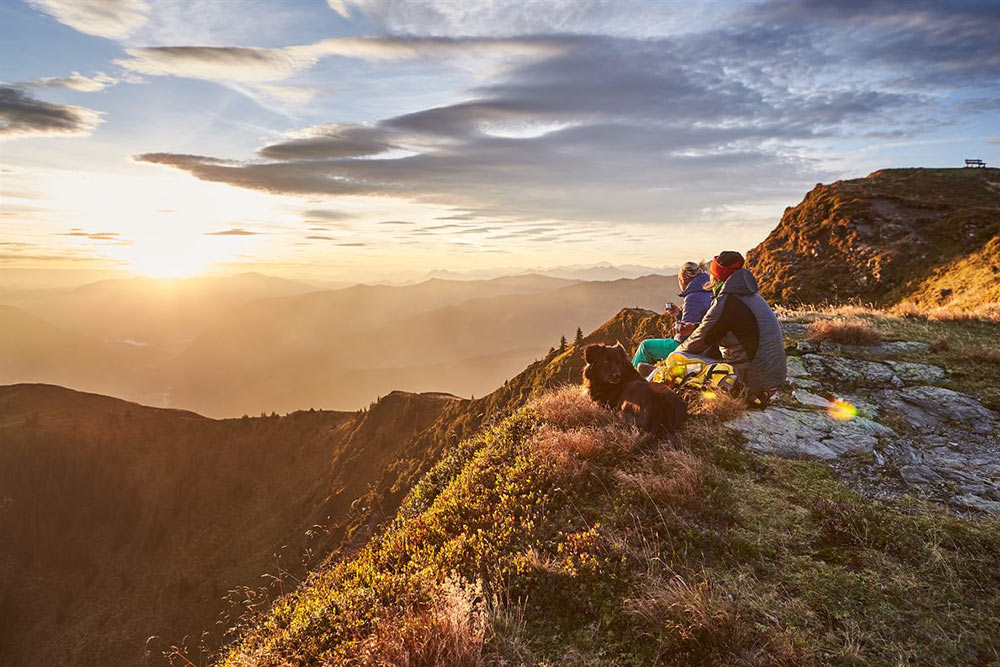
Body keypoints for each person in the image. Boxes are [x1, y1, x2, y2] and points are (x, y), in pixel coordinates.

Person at [675, 251, 786, 402]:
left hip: (750, 384)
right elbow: (725, 327)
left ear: (717, 277)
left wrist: (673, 355)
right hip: (772, 379)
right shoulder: (750, 295)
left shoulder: (727, 301)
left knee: (679, 358)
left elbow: (696, 343)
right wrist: (695, 327)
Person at [631, 262, 713, 376]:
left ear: (684, 278)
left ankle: (631, 379)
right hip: (706, 345)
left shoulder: (692, 297)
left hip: (693, 347)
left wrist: (679, 329)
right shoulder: (708, 291)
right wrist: (679, 313)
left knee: (646, 347)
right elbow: (698, 320)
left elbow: (684, 336)